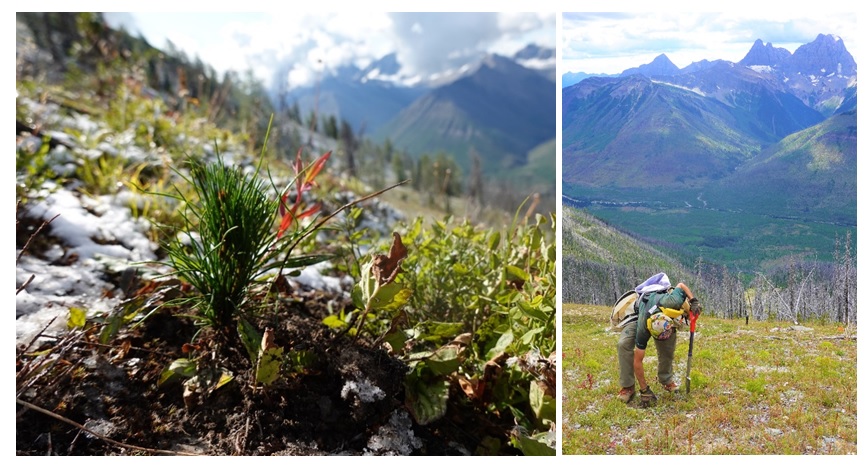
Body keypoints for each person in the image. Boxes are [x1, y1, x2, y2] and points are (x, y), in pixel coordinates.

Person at [616, 273, 702, 406]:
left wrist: (693, 301)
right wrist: (644, 390)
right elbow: (638, 360)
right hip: (639, 313)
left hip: (662, 312)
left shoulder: (671, 301)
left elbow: (681, 285)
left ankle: (666, 380)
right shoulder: (642, 329)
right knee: (623, 344)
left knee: (668, 346)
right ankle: (628, 387)